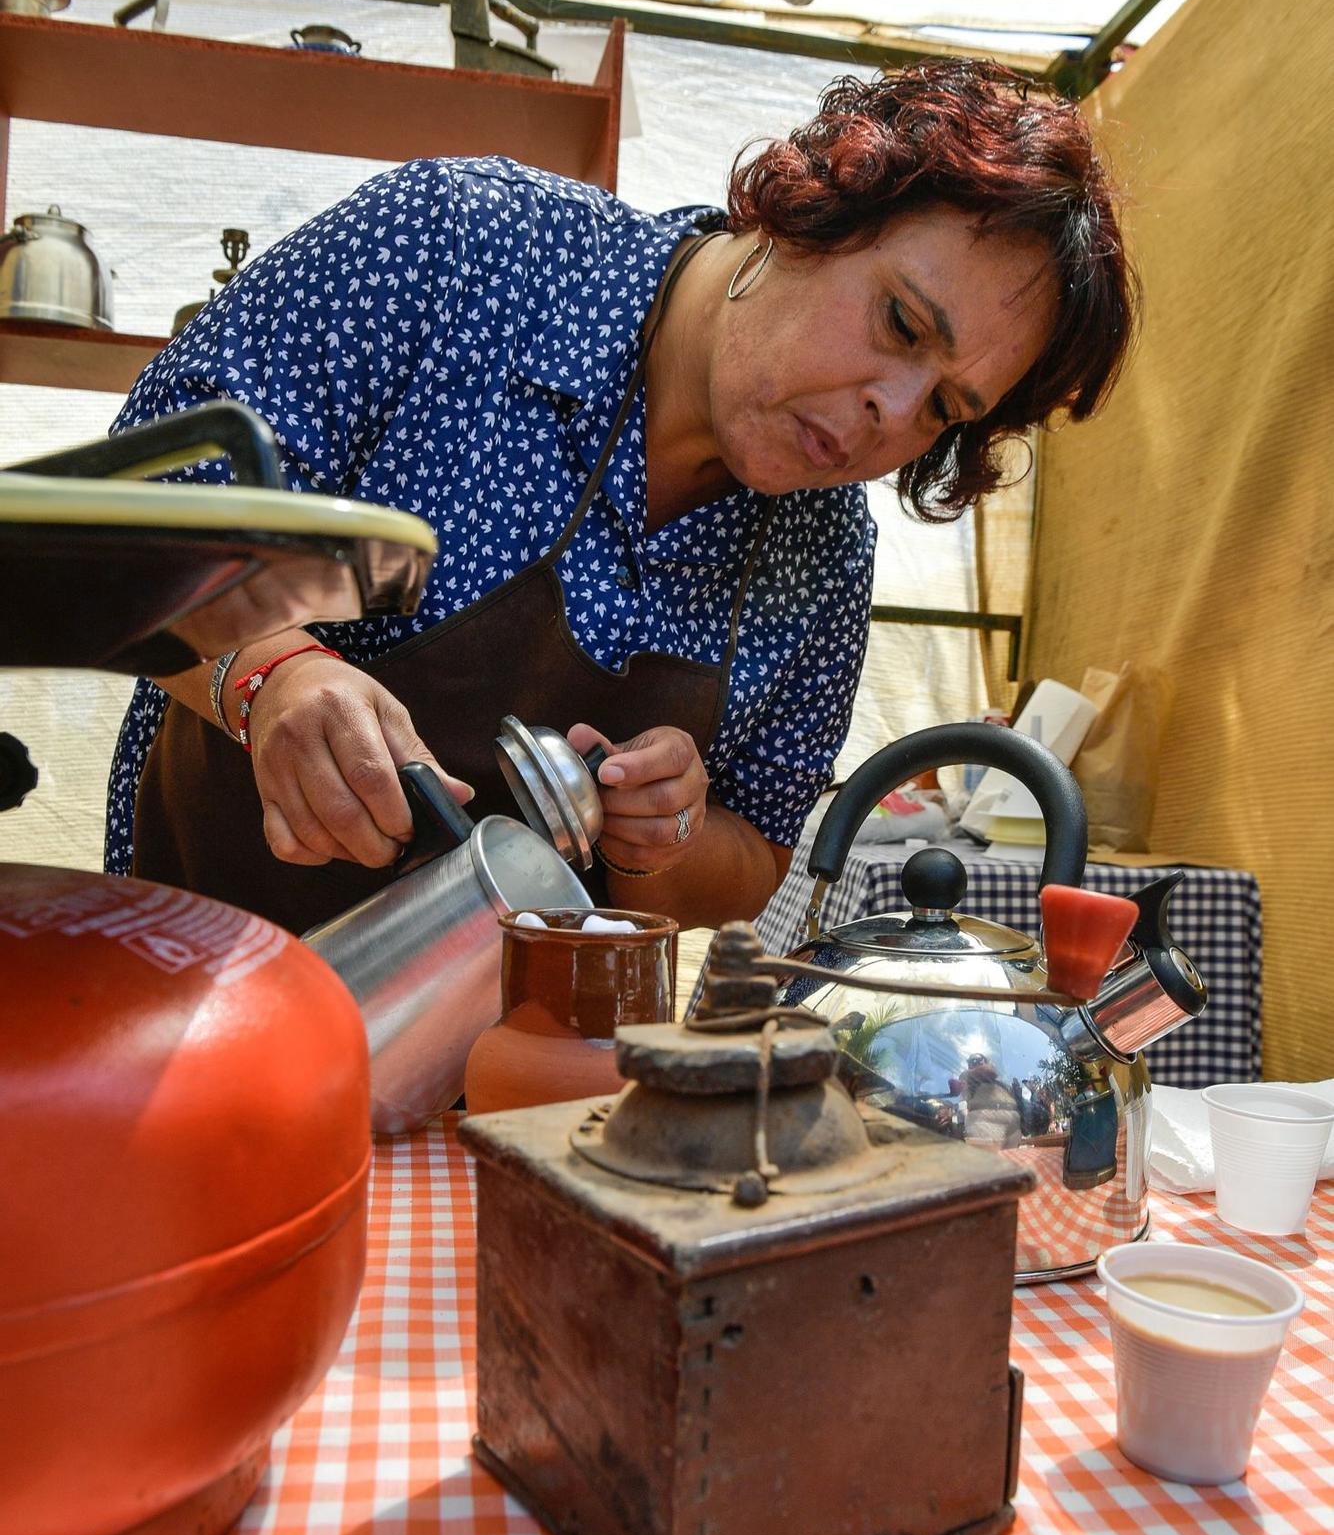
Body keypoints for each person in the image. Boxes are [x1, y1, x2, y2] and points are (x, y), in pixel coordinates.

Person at [106, 58, 1137, 936]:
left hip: (509, 1070)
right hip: (204, 976)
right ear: (809, 210)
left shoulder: (823, 556)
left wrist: (669, 838)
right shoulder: (460, 251)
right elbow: (137, 503)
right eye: (903, 325)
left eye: (944, 410)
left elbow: (757, 856)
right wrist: (274, 672)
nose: (889, 413)